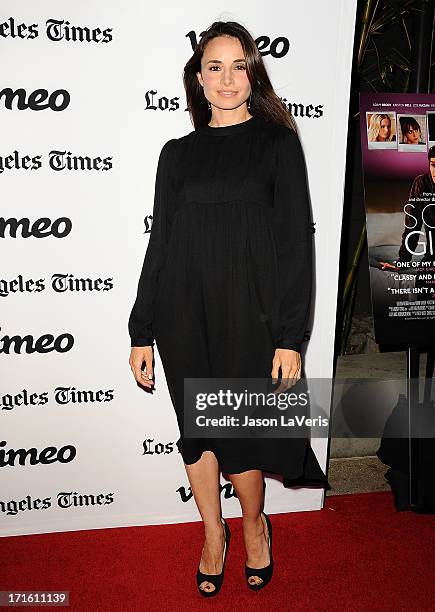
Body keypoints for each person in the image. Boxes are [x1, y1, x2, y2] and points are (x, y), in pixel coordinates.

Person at [128, 20, 329, 596]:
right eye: (214, 66)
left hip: (252, 316)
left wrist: (291, 335)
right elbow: (160, 242)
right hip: (182, 315)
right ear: (197, 78)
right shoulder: (177, 155)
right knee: (199, 434)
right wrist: (141, 328)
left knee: (238, 433)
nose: (227, 78)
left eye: (238, 65)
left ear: (253, 73)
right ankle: (213, 535)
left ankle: (254, 528)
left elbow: (296, 245)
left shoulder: (278, 145)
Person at [398, 145, 435, 298]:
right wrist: (404, 260)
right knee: (424, 286)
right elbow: (413, 224)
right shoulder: (423, 182)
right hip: (433, 254)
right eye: (434, 165)